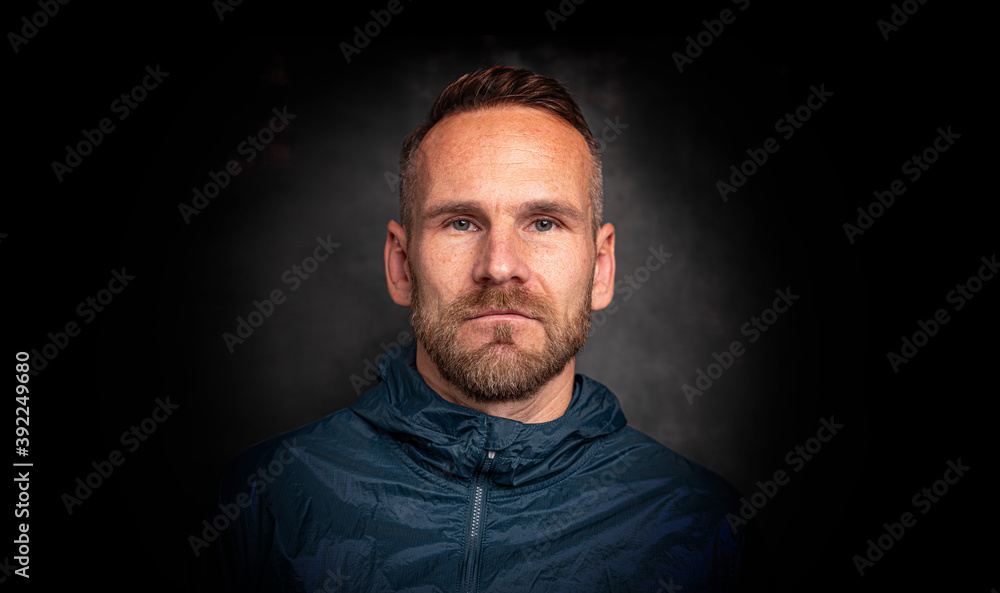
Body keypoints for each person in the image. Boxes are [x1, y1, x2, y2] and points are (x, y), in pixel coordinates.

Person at [197, 66, 746, 592]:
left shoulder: (706, 526)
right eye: (461, 222)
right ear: (401, 264)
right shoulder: (262, 500)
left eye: (544, 222)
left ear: (601, 268)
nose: (500, 264)